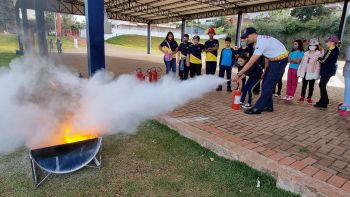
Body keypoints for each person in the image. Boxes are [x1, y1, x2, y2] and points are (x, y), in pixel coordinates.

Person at [233, 27, 288, 115]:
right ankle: (268, 106)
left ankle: (257, 108)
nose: (246, 39)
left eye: (247, 37)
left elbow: (251, 62)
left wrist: (239, 74)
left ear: (252, 34)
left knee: (267, 85)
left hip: (279, 61)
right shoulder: (260, 40)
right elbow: (267, 55)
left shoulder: (261, 43)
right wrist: (266, 70)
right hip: (274, 61)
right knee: (266, 83)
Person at [314, 35, 340, 108]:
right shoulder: (331, 49)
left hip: (327, 70)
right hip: (327, 70)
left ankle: (323, 102)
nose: (326, 43)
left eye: (327, 41)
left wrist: (318, 58)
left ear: (332, 42)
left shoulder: (332, 50)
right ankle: (325, 100)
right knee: (322, 85)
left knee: (322, 85)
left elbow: (324, 60)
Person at [297, 38, 322, 104]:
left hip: (312, 72)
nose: (311, 47)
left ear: (316, 46)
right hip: (305, 71)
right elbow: (302, 63)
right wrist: (300, 70)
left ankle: (309, 97)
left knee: (311, 86)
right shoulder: (306, 53)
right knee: (304, 85)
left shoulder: (318, 54)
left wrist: (316, 73)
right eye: (310, 45)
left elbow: (318, 65)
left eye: (313, 45)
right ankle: (302, 96)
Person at [339, 46, 350, 112]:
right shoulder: (349, 47)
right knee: (348, 88)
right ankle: (346, 105)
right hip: (348, 71)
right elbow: (348, 58)